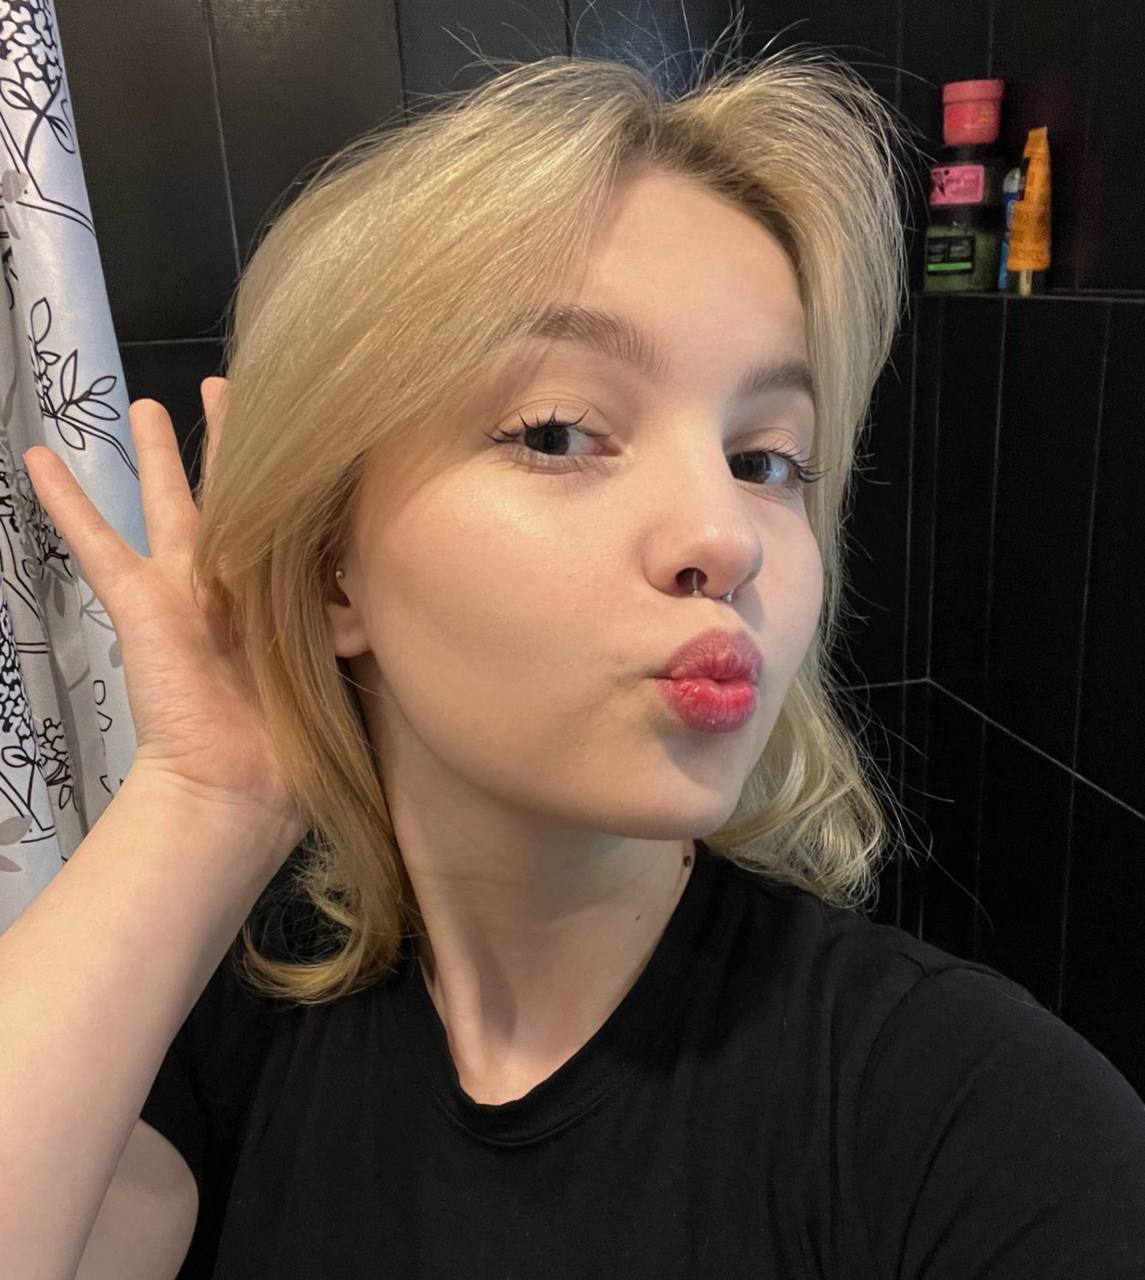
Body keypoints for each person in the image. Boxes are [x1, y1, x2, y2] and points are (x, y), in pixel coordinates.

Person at [6, 41, 1145, 1280]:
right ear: (334, 571)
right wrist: (205, 796)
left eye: (764, 458)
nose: (725, 536)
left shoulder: (979, 1122)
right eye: (558, 432)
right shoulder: (213, 1028)